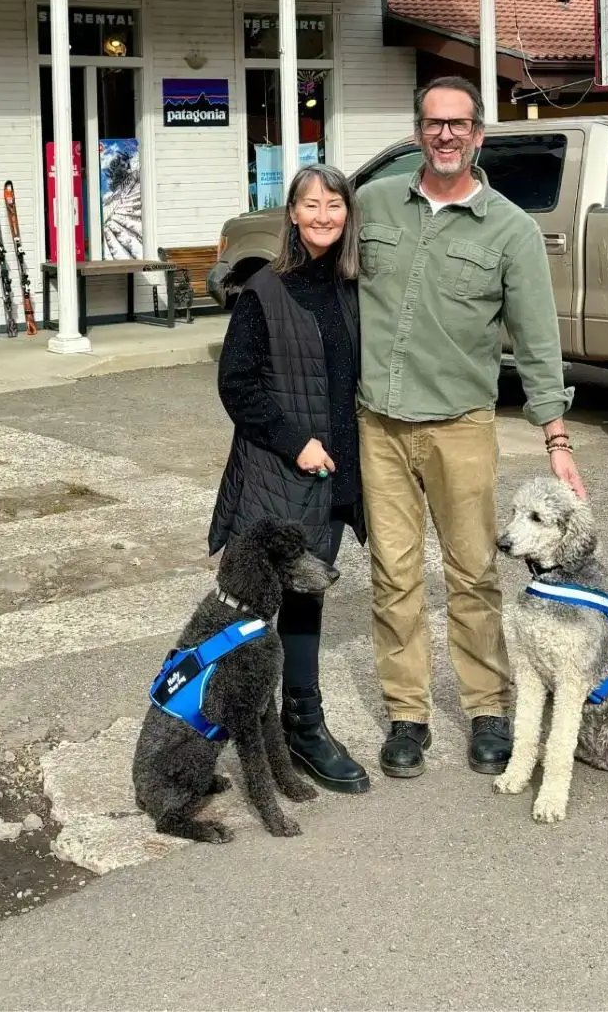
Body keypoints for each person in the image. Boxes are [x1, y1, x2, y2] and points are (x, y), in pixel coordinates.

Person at [356, 76, 584, 782]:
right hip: (379, 426)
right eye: (434, 122)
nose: (446, 134)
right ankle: (407, 714)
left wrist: (557, 439)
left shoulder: (510, 228)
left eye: (459, 123)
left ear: (478, 134)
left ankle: (487, 707)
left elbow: (538, 341)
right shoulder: (371, 204)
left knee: (474, 573)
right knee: (393, 575)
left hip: (461, 425)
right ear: (420, 130)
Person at [211, 164, 370, 794]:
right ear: (293, 216)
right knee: (253, 613)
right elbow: (237, 383)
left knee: (307, 601)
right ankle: (230, 733)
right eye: (311, 204)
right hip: (278, 474)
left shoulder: (354, 288)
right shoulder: (265, 291)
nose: (323, 214)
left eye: (334, 203)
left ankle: (303, 728)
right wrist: (293, 441)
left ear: (348, 214)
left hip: (332, 478)